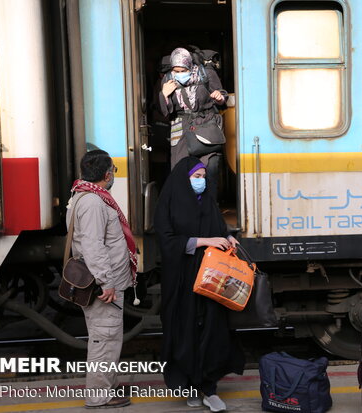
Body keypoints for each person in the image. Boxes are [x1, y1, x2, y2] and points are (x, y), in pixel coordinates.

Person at [154, 156, 244, 412]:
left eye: (203, 176)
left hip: (212, 279)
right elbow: (167, 240)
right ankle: (191, 386)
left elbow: (218, 227)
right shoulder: (169, 202)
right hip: (183, 280)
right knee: (186, 330)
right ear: (184, 178)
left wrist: (227, 237)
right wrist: (205, 241)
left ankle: (209, 387)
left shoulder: (208, 203)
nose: (201, 181)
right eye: (196, 177)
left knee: (213, 330)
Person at [67, 149, 138, 409]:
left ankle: (106, 384)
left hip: (104, 282)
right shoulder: (93, 202)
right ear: (107, 174)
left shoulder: (85, 196)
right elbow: (93, 246)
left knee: (107, 337)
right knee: (104, 338)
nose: (113, 176)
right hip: (102, 286)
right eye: (114, 172)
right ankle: (99, 395)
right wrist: (106, 282)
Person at [159, 47, 227, 187]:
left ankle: (207, 205)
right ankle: (184, 206)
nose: (179, 74)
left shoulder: (206, 74)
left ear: (190, 66)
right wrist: (164, 95)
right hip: (180, 129)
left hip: (205, 125)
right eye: (176, 71)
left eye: (183, 71)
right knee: (180, 173)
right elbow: (165, 112)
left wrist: (219, 98)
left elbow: (221, 96)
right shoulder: (168, 80)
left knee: (209, 169)